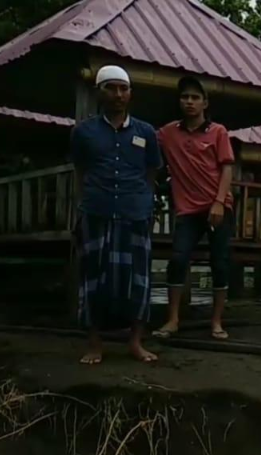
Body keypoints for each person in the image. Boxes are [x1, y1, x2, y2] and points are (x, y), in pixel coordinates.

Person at [70, 65, 161, 364]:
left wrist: (147, 206)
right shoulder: (83, 132)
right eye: (111, 87)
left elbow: (150, 172)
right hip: (96, 211)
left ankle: (135, 343)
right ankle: (95, 344)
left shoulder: (146, 132)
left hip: (135, 213)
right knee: (93, 279)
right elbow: (80, 171)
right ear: (100, 92)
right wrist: (81, 208)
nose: (118, 94)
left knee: (138, 280)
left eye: (123, 88)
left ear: (131, 93)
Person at [154, 76, 235, 340]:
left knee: (219, 263)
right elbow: (144, 143)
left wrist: (219, 202)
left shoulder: (218, 132)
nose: (189, 102)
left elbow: (227, 167)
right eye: (184, 97)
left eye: (195, 97)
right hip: (187, 210)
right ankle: (173, 319)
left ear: (205, 103)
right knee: (178, 259)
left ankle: (217, 322)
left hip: (217, 206)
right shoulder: (167, 133)